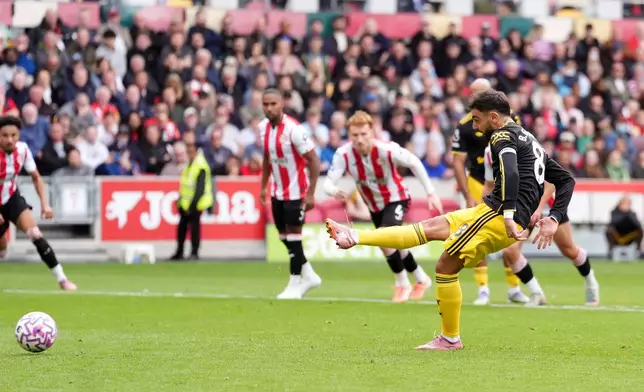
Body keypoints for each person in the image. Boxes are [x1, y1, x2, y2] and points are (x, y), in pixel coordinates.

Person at [325, 90, 575, 350]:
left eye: (477, 120)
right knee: (430, 227)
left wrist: (511, 214)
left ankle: (450, 338)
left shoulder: (501, 135)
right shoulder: (529, 138)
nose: (476, 127)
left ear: (493, 117)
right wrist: (555, 217)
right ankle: (356, 236)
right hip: (490, 210)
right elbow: (566, 178)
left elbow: (511, 173)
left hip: (499, 216)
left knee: (445, 266)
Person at [323, 110, 442, 302]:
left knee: (385, 239)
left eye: (364, 134)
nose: (360, 139)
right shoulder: (343, 154)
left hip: (397, 197)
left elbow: (414, 162)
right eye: (355, 135)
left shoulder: (387, 149)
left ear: (372, 133)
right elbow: (327, 183)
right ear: (349, 135)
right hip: (374, 205)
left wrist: (430, 192)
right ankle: (421, 278)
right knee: (395, 242)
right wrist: (333, 190)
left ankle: (402, 284)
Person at [483, 145, 600, 306]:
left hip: (547, 207)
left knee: (569, 249)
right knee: (510, 251)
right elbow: (490, 184)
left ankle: (591, 282)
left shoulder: (525, 146)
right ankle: (536, 292)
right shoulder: (490, 152)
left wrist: (539, 208)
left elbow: (551, 182)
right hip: (522, 206)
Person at [451, 78, 529, 305]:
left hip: (505, 181)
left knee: (508, 236)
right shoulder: (465, 125)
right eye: (475, 95)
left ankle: (514, 287)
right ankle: (483, 288)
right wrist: (467, 193)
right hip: (478, 181)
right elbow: (458, 161)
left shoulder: (510, 118)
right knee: (477, 234)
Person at [0, 116, 76, 290]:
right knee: (2, 251)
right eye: (5, 135)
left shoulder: (23, 150)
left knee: (35, 233)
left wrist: (45, 204)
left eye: (14, 135)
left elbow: (36, 178)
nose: (10, 140)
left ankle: (62, 279)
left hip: (11, 198)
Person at [259, 88, 322, 299]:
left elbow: (314, 160)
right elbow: (268, 158)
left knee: (294, 239)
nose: (269, 108)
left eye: (273, 104)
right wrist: (263, 186)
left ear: (282, 104)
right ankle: (309, 274)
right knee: (284, 238)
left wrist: (311, 193)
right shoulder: (262, 129)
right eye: (265, 104)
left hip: (296, 192)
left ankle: (295, 284)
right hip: (278, 193)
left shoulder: (294, 130)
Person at [170, 132, 213, 260]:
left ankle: (194, 252)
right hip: (186, 203)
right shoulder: (192, 163)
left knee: (194, 228)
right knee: (182, 228)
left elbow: (200, 189)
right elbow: (187, 185)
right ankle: (180, 252)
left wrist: (192, 205)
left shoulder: (200, 165)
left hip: (195, 203)